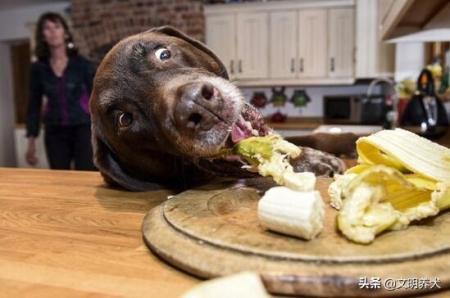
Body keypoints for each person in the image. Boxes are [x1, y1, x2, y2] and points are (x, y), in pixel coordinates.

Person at [26, 12, 96, 170]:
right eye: (47, 28)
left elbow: (98, 99)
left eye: (57, 26)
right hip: (54, 131)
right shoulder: (38, 69)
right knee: (60, 178)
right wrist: (31, 143)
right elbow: (33, 105)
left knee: (85, 176)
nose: (52, 31)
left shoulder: (83, 65)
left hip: (83, 129)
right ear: (42, 36)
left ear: (65, 33)